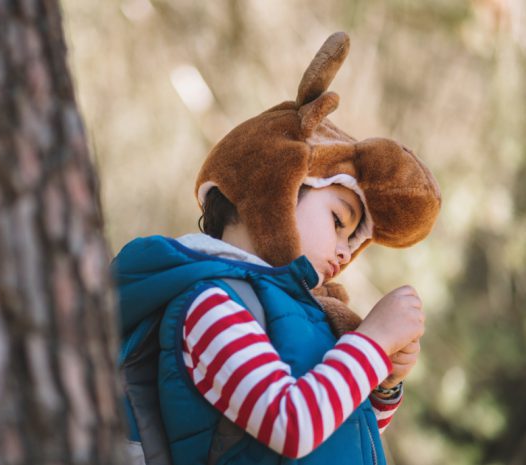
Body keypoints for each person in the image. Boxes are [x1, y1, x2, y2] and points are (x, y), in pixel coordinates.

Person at [114, 32, 441, 465]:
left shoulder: (302, 311)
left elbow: (338, 428)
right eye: (338, 221)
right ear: (275, 189)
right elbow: (292, 426)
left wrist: (384, 385)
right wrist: (373, 342)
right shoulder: (211, 305)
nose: (345, 254)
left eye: (353, 242)